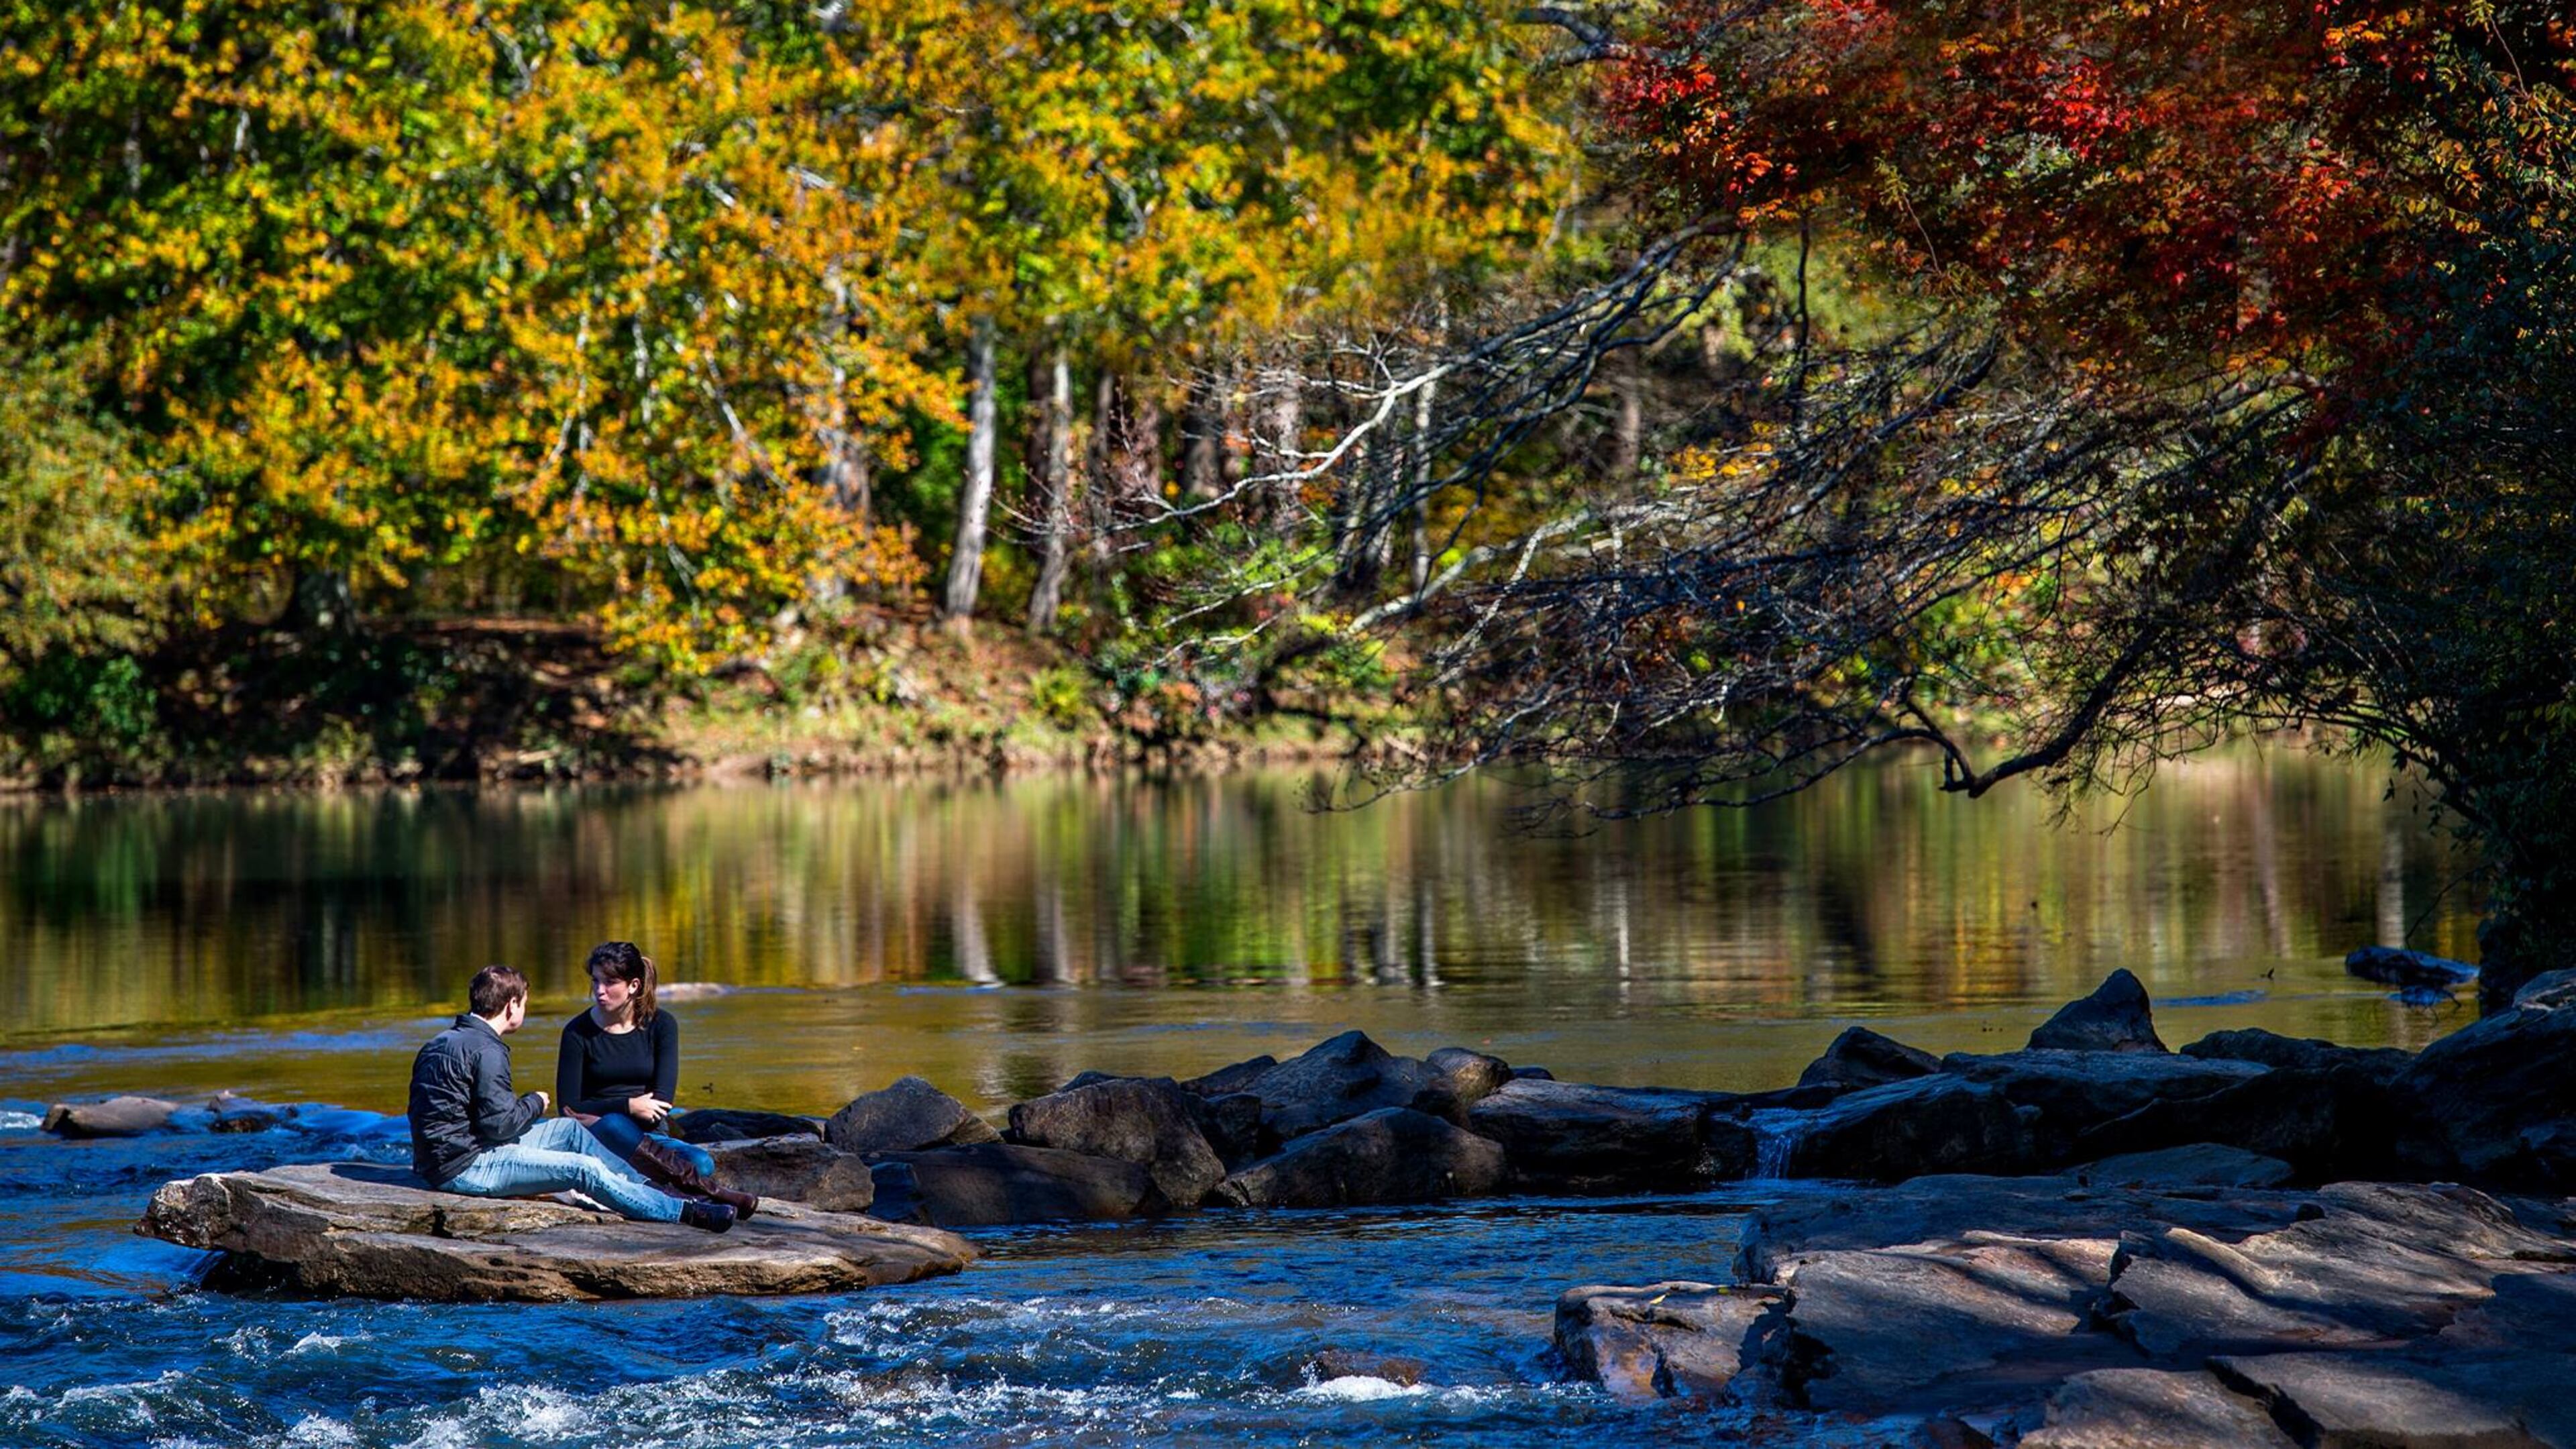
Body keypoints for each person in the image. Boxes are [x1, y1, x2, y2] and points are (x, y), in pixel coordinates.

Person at [407, 964, 737, 1232]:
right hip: (466, 1166)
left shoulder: (442, 1041)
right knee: (584, 1169)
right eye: (524, 1003)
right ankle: (683, 1212)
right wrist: (534, 1102)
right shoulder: (487, 1050)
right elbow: (500, 1127)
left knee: (571, 1130)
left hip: (453, 1154)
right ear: (512, 1006)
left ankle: (651, 1190)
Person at [556, 941, 757, 1218]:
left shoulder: (662, 1026)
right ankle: (710, 1195)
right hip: (598, 1137)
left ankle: (663, 1190)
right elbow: (568, 1106)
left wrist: (604, 1110)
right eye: (596, 981)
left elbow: (661, 1103)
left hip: (649, 1137)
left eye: (610, 982)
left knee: (701, 1162)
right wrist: (628, 1106)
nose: (599, 991)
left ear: (634, 986)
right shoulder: (576, 1032)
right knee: (614, 1124)